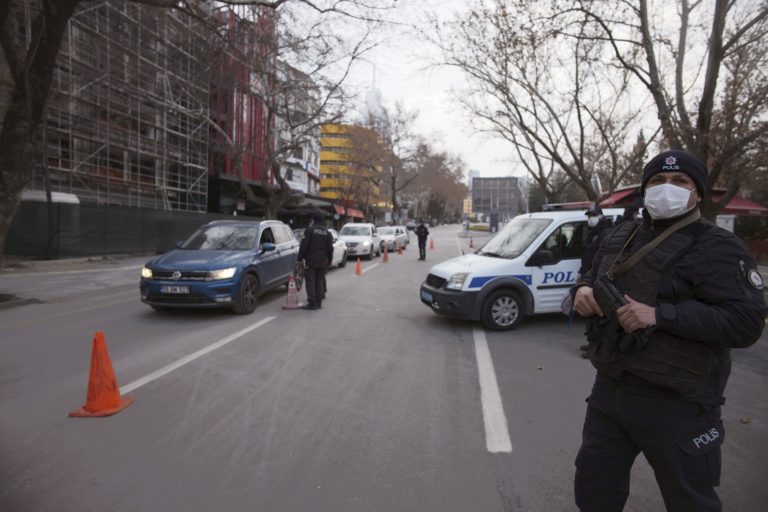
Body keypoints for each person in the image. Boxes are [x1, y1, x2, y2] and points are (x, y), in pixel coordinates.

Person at [572, 150, 766, 511]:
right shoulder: (622, 234)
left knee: (689, 500)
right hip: (611, 391)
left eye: (680, 182)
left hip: (678, 402)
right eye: (658, 181)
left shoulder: (720, 247)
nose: (667, 188)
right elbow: (593, 275)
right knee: (594, 489)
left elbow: (746, 323)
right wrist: (582, 289)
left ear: (698, 193)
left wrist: (661, 315)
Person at [577, 203, 615, 358]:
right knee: (592, 317)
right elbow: (587, 254)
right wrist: (582, 273)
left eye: (593, 215)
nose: (590, 218)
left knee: (600, 316)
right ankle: (592, 343)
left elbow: (604, 259)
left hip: (599, 279)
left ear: (600, 215)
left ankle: (597, 348)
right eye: (588, 216)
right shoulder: (593, 232)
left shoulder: (606, 232)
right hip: (589, 276)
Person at [297, 214, 333, 310]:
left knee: (310, 281)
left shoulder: (309, 231)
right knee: (319, 281)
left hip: (311, 261)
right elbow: (330, 249)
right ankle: (319, 302)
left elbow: (303, 246)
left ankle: (312, 303)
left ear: (314, 220)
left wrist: (299, 258)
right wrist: (329, 261)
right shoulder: (327, 233)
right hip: (323, 262)